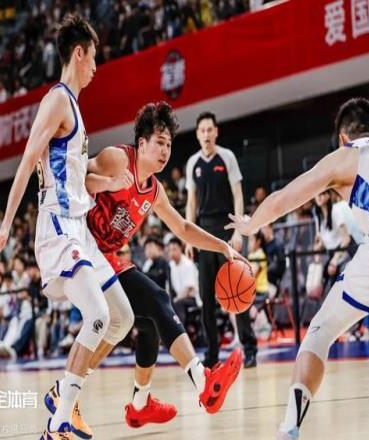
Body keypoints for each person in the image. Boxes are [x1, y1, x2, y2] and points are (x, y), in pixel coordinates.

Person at [225, 97, 369, 439]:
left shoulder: (348, 154)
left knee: (321, 330)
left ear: (343, 138)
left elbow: (285, 198)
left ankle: (289, 428)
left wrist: (250, 225)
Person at [45, 102, 243, 432]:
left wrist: (222, 245)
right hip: (82, 253)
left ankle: (139, 404)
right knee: (157, 298)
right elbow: (76, 175)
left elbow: (183, 228)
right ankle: (203, 380)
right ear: (142, 143)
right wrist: (105, 183)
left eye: (169, 145)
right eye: (159, 142)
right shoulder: (118, 159)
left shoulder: (154, 191)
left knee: (149, 323)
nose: (165, 151)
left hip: (107, 260)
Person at [0, 14, 134, 440]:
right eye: (94, 59)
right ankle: (58, 426)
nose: (96, 67)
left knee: (121, 319)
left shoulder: (74, 108)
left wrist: (108, 183)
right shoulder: (56, 101)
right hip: (57, 225)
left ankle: (62, 394)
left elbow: (76, 175)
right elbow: (26, 163)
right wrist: (5, 227)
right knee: (97, 316)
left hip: (79, 228)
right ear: (79, 53)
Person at [185, 111, 258, 368]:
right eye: (202, 130)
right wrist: (189, 238)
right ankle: (212, 355)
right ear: (197, 134)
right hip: (204, 233)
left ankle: (249, 348)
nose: (206, 134)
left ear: (216, 132)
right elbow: (191, 203)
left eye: (210, 130)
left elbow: (238, 195)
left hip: (227, 231)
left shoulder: (227, 157)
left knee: (239, 289)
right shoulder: (192, 163)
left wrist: (238, 231)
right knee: (207, 298)